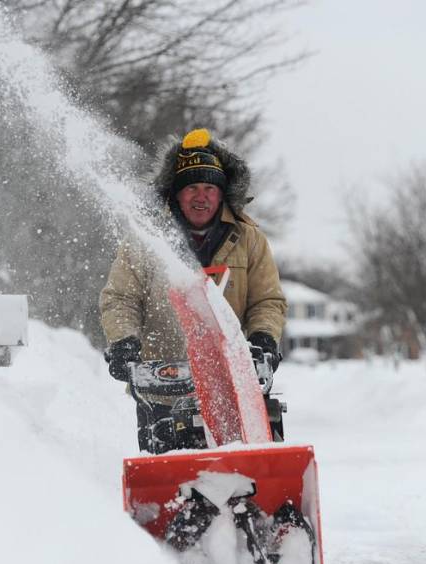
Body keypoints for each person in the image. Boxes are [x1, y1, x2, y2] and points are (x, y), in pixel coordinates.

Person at [99, 128, 287, 450]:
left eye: (210, 188)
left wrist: (263, 338)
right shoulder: (147, 238)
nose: (201, 197)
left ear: (222, 193)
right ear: (176, 193)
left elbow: (266, 301)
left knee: (246, 470)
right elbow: (121, 298)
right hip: (162, 389)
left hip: (237, 388)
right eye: (192, 188)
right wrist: (123, 342)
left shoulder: (248, 239)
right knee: (169, 482)